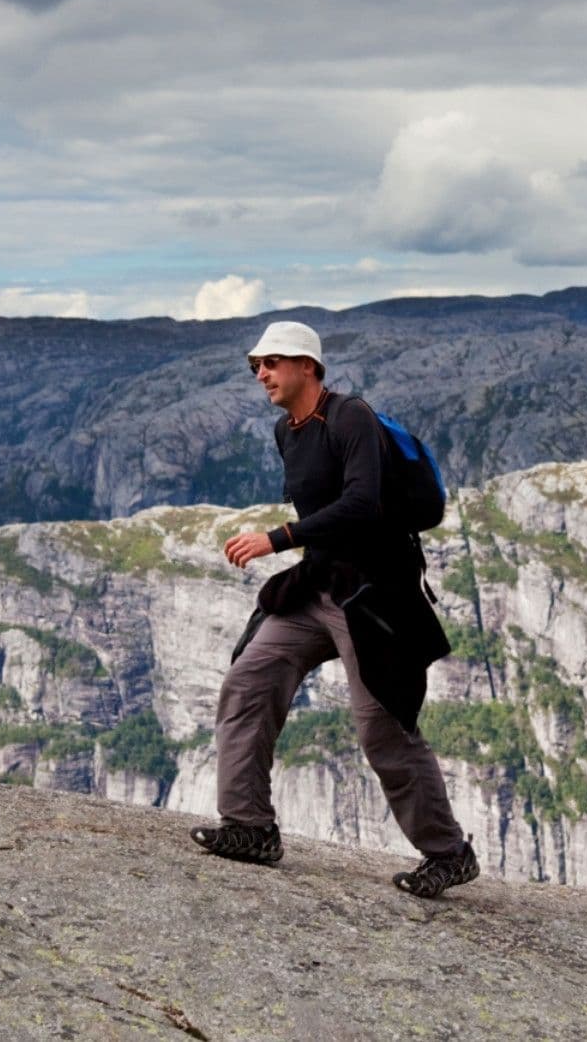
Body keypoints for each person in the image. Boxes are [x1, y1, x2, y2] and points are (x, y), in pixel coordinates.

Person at [191, 320, 479, 899]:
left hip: (373, 596)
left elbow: (362, 505)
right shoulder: (286, 431)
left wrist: (277, 538)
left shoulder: (351, 417)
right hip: (319, 585)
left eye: (272, 362)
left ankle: (449, 854)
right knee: (249, 681)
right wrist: (298, 546)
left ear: (308, 366)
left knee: (382, 727)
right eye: (255, 365)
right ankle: (249, 827)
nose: (261, 374)